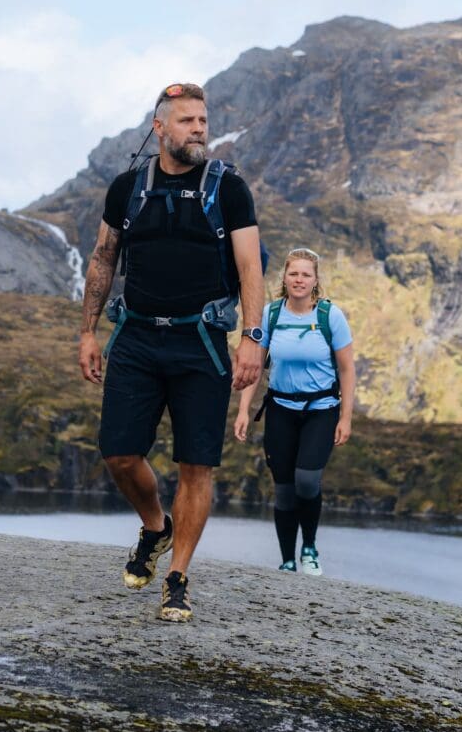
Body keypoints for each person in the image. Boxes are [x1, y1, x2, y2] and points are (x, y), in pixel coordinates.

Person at [78, 82, 264, 622]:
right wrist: (88, 332)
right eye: (187, 121)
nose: (199, 129)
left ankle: (178, 576)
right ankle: (156, 527)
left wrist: (252, 339)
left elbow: (251, 268)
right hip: (134, 337)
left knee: (196, 465)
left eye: (203, 120)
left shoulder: (229, 189)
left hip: (200, 340)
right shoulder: (126, 188)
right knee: (119, 454)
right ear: (160, 128)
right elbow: (102, 259)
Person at [234, 248, 355, 575]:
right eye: (293, 274)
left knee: (306, 480)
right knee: (284, 490)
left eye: (305, 275)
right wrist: (244, 410)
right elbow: (254, 366)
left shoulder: (331, 317)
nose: (299, 280)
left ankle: (310, 549)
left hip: (322, 409)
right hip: (280, 410)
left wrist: (346, 418)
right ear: (284, 279)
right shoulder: (271, 315)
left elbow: (347, 369)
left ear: (315, 281)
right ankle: (287, 559)